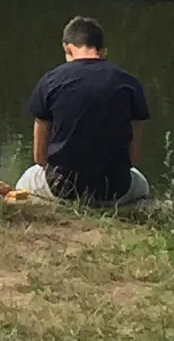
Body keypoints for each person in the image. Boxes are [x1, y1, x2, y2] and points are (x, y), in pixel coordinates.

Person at [15, 15, 150, 207]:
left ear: (67, 48)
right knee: (140, 181)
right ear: (103, 51)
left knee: (27, 178)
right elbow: (133, 157)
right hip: (114, 190)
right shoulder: (129, 84)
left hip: (62, 189)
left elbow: (40, 157)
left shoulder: (50, 81)